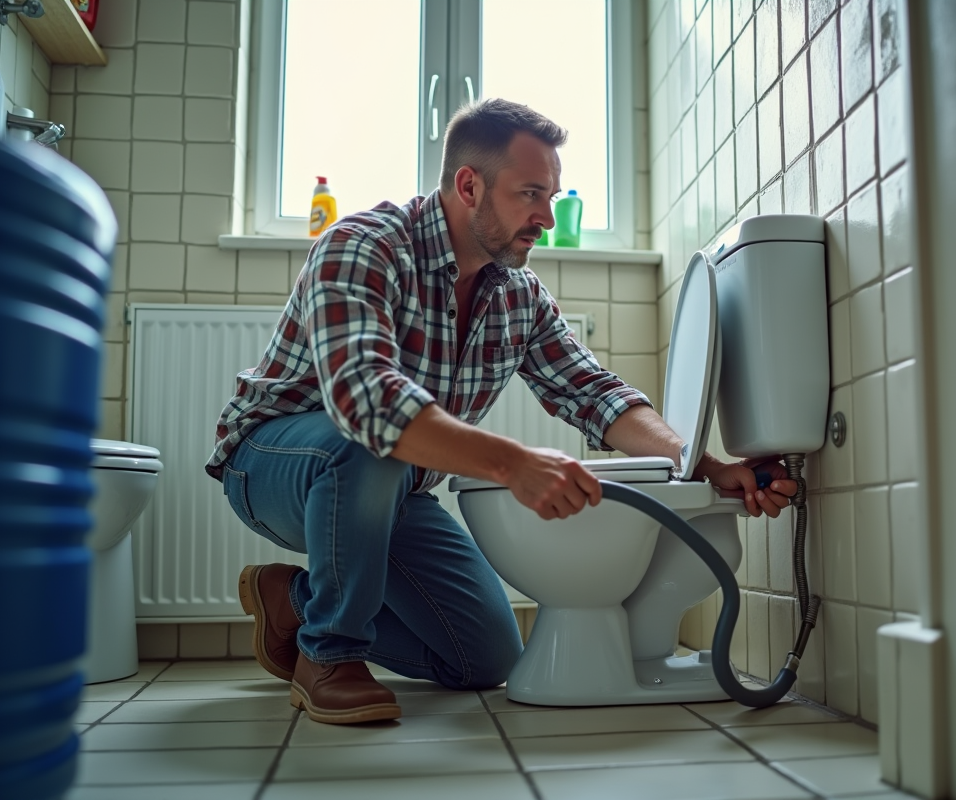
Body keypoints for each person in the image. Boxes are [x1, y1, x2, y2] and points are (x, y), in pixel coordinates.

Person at [204, 98, 798, 725]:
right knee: (368, 448)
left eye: (553, 194)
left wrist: (699, 461)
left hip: (393, 487)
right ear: (469, 185)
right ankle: (329, 653)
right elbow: (368, 402)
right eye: (531, 194)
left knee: (484, 658)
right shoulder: (363, 246)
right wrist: (514, 464)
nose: (547, 215)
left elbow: (592, 391)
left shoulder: (518, 295)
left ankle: (292, 602)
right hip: (274, 463)